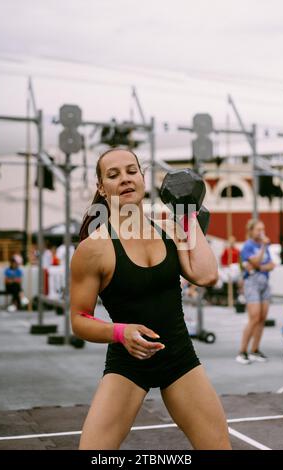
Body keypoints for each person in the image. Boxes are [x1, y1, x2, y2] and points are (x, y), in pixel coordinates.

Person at [70, 148, 231, 450]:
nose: (126, 179)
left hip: (179, 358)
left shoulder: (170, 229)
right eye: (114, 175)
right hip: (128, 365)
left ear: (143, 178)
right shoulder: (93, 249)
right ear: (102, 188)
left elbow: (207, 275)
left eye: (132, 171)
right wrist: (120, 332)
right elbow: (79, 320)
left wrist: (187, 212)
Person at [236, 219, 275, 365]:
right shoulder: (248, 246)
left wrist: (259, 267)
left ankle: (255, 350)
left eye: (262, 229)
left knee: (262, 318)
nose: (262, 232)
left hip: (264, 283)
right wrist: (263, 249)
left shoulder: (262, 246)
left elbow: (271, 265)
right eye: (258, 229)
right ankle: (242, 351)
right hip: (252, 283)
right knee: (254, 317)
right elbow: (256, 262)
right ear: (251, 231)